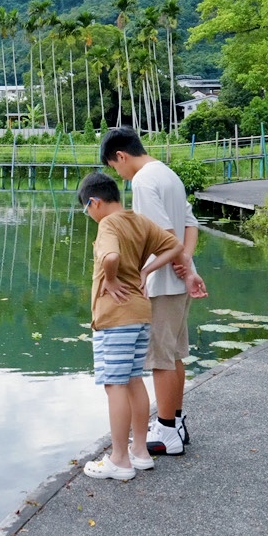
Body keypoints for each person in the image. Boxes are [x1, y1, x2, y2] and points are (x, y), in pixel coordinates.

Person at [77, 171, 203, 481]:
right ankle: (140, 452)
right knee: (134, 379)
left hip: (115, 316)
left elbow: (110, 256)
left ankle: (119, 459)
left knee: (115, 384)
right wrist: (147, 271)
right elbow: (174, 246)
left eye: (86, 209)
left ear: (94, 202)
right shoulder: (138, 220)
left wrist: (109, 278)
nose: (89, 215)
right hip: (140, 313)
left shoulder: (108, 224)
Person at [100, 127, 208, 457]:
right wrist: (187, 262)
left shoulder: (144, 180)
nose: (118, 174)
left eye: (114, 166)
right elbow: (190, 226)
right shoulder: (168, 174)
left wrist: (146, 271)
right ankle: (173, 424)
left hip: (161, 284)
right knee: (172, 355)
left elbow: (166, 236)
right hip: (176, 281)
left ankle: (165, 431)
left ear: (121, 156)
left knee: (161, 358)